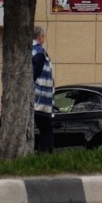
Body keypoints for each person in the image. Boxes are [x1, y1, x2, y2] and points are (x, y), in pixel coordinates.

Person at [32, 25, 55, 154]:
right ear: (40, 37)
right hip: (40, 99)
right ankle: (45, 155)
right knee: (46, 130)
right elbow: (35, 74)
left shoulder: (30, 50)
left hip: (36, 98)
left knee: (41, 128)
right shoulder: (40, 53)